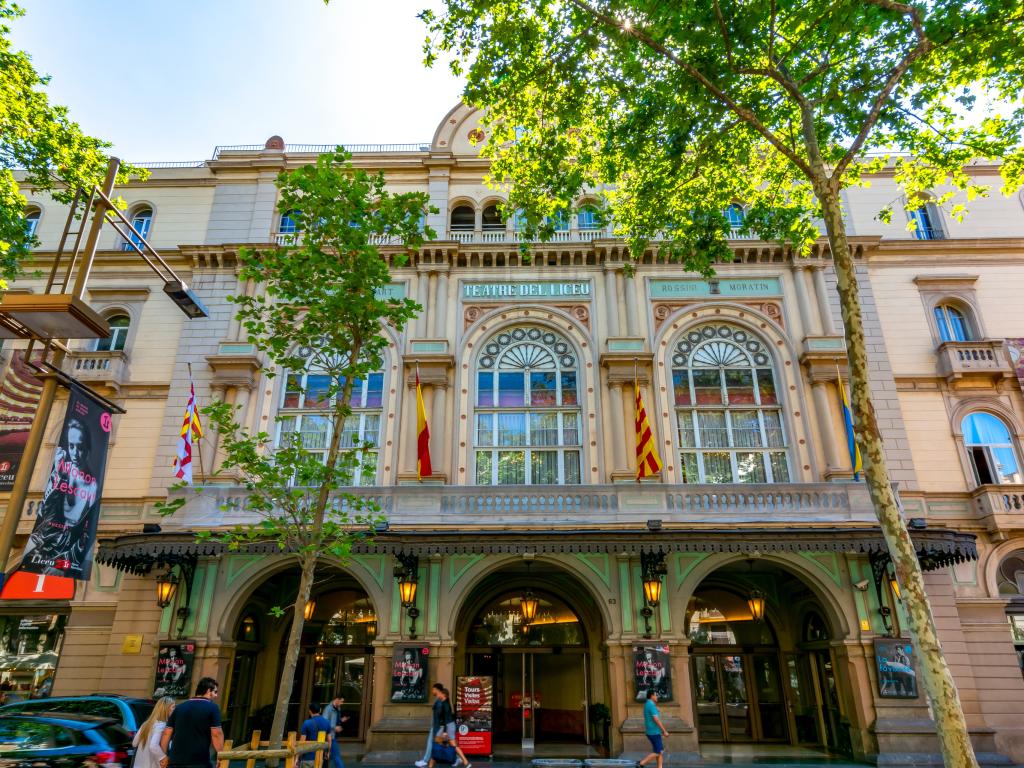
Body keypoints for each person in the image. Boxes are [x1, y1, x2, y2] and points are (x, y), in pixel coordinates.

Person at [23, 417, 99, 577]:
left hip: (67, 547)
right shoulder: (62, 471)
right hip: (44, 536)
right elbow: (45, 510)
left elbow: (86, 530)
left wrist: (64, 560)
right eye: (71, 446)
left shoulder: (93, 484)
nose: (75, 453)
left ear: (88, 448)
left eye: (80, 447)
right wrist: (59, 475)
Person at [161, 677, 224, 768]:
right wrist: (221, 756)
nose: (216, 695)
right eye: (215, 692)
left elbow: (167, 733)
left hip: (175, 761)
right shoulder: (213, 708)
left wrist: (164, 756)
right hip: (198, 762)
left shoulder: (179, 707)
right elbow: (216, 734)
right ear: (208, 691)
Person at [133, 696, 175, 768]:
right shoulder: (161, 725)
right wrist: (164, 758)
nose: (175, 710)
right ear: (166, 709)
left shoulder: (146, 723)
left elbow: (134, 743)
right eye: (173, 707)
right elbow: (153, 746)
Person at [416, 683, 446, 767]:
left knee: (431, 743)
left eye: (433, 689)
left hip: (437, 726)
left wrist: (440, 726)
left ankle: (425, 760)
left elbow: (441, 714)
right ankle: (456, 759)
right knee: (441, 744)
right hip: (438, 726)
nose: (432, 691)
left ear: (437, 689)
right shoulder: (438, 699)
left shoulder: (439, 700)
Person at [638, 690, 668, 768]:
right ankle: (642, 763)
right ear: (651, 696)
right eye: (656, 695)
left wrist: (656, 709)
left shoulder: (647, 704)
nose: (657, 696)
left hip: (651, 732)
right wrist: (664, 731)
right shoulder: (651, 705)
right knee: (658, 752)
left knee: (659, 752)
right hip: (654, 732)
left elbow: (651, 714)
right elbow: (656, 719)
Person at [300, 703, 333, 767]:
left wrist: (297, 758)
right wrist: (328, 752)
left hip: (307, 758)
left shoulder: (306, 723)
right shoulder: (327, 722)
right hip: (321, 757)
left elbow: (302, 742)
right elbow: (329, 740)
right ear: (320, 710)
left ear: (310, 711)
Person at [321, 696, 349, 768]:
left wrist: (341, 720)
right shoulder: (328, 709)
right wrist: (334, 728)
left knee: (326, 756)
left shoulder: (337, 708)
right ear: (336, 699)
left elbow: (334, 720)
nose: (342, 703)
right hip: (329, 736)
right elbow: (324, 723)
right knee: (336, 756)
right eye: (341, 701)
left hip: (333, 735)